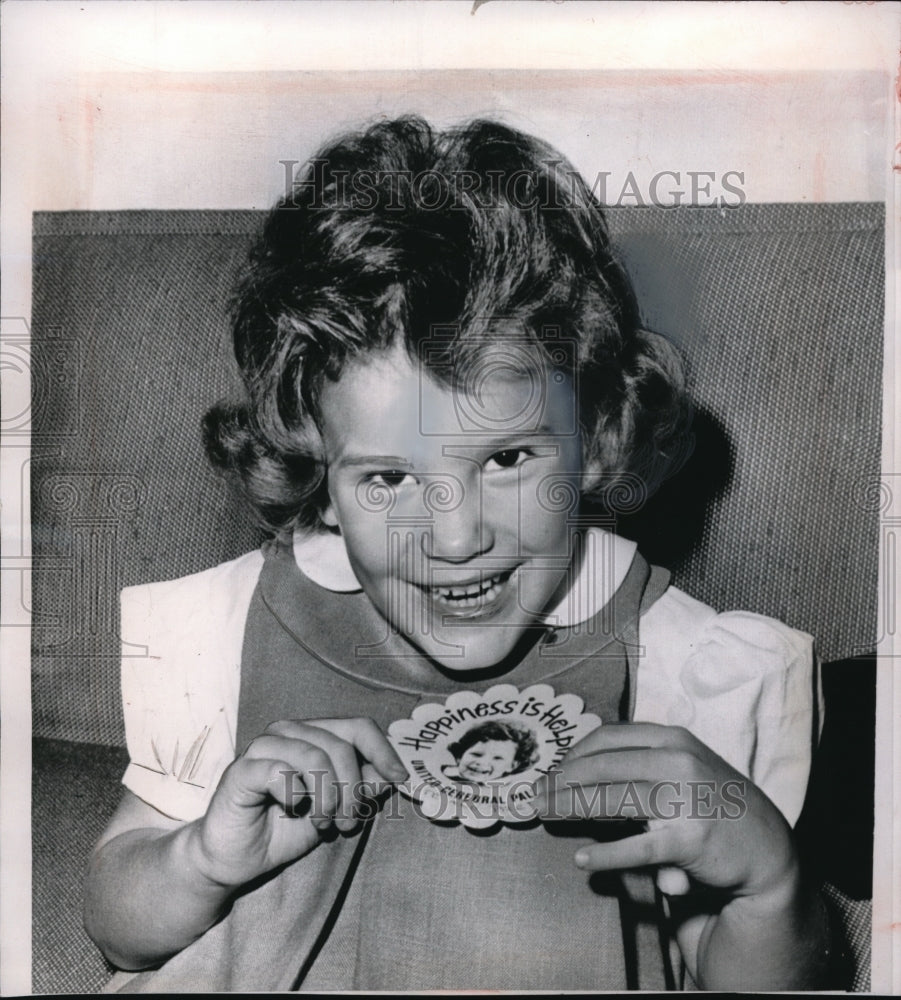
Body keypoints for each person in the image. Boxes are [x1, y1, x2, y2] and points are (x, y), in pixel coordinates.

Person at [84, 116, 833, 991]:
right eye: (389, 479)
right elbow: (118, 930)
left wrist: (768, 886)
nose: (454, 538)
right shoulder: (223, 628)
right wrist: (200, 859)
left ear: (593, 436)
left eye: (508, 460)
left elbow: (753, 978)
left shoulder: (690, 667)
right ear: (316, 469)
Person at [443, 720, 539, 784]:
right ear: (460, 756)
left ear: (512, 766)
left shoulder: (509, 790)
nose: (482, 762)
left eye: (497, 758)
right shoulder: (445, 775)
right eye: (476, 754)